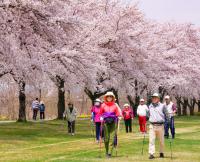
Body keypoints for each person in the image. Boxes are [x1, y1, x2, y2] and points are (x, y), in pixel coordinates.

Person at [100, 92, 122, 158]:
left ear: (113, 97)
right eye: (108, 96)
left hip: (113, 122)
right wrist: (101, 117)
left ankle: (109, 153)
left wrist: (119, 116)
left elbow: (118, 113)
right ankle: (107, 151)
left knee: (112, 138)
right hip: (105, 123)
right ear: (106, 97)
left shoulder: (115, 105)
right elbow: (100, 113)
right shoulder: (103, 105)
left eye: (110, 96)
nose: (109, 97)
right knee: (106, 138)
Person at [148, 93, 170, 159]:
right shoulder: (150, 106)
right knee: (151, 140)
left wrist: (167, 123)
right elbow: (148, 114)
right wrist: (150, 119)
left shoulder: (163, 106)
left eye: (155, 97)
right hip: (152, 125)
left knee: (161, 141)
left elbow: (167, 115)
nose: (154, 98)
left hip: (160, 126)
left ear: (158, 98)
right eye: (153, 97)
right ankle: (151, 154)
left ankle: (161, 152)